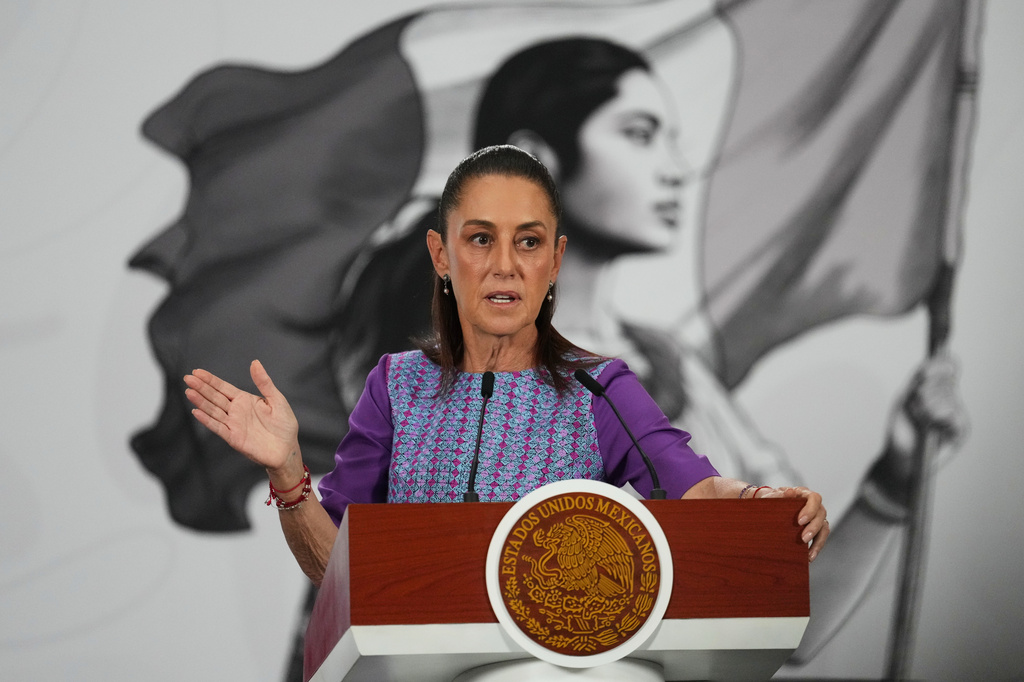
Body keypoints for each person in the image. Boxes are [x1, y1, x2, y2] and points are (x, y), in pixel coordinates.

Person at [329, 37, 964, 662]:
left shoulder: (667, 373)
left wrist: (892, 481)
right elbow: (371, 596)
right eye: (638, 133)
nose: (675, 167)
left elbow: (783, 609)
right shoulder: (418, 384)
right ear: (533, 160)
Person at [183, 145, 830, 587]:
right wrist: (288, 470)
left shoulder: (600, 389)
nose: (505, 265)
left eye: (529, 242)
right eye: (480, 238)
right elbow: (336, 570)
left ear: (555, 260)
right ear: (441, 254)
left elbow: (699, 491)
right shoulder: (395, 386)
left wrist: (766, 504)